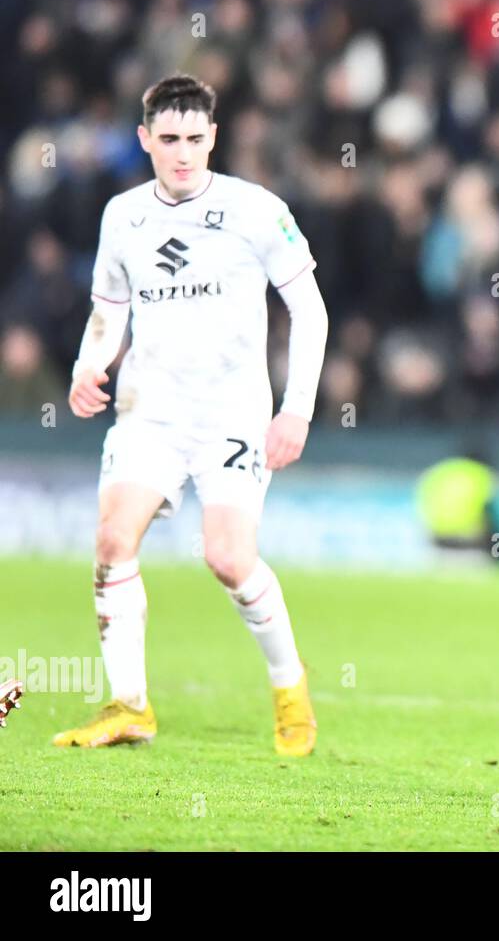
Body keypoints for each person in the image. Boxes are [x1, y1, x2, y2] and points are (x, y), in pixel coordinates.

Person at [54, 75, 328, 756]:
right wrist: (90, 365)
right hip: (150, 409)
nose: (182, 154)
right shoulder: (123, 215)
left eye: (195, 140)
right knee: (113, 542)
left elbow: (311, 311)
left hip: (233, 412)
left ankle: (289, 687)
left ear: (215, 138)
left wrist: (296, 409)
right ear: (144, 139)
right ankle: (129, 707)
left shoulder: (256, 210)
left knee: (229, 558)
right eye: (169, 140)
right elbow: (109, 307)